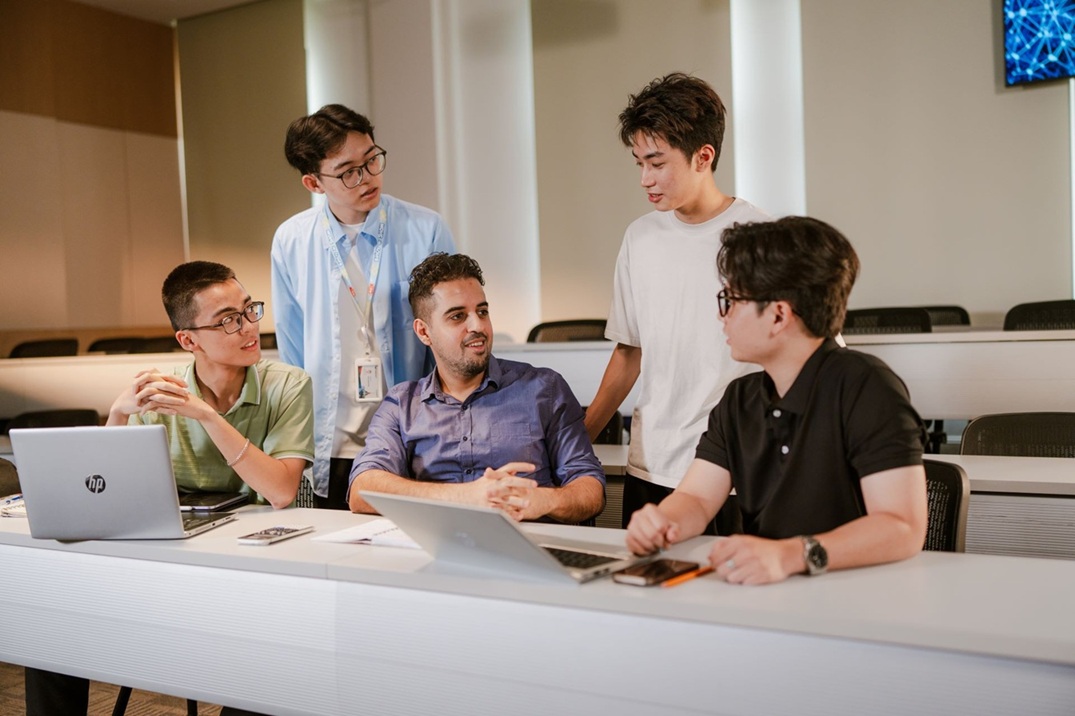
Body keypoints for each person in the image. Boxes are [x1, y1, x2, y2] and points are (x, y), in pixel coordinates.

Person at [26, 260, 311, 716]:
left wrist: (207, 415)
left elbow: (280, 490)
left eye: (249, 310)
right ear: (188, 340)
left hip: (248, 577)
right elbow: (107, 497)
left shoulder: (289, 385)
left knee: (272, 663)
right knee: (49, 635)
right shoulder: (160, 393)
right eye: (228, 320)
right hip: (169, 567)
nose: (248, 327)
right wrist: (118, 415)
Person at [625, 217, 928, 584]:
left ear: (779, 315)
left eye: (731, 301)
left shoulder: (866, 386)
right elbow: (698, 499)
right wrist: (663, 522)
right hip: (768, 586)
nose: (722, 315)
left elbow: (902, 527)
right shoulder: (739, 399)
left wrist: (791, 555)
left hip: (855, 590)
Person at [582, 72, 769, 530]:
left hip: (733, 472)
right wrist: (579, 438)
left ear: (703, 156)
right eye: (638, 163)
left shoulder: (760, 239)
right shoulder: (640, 237)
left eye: (657, 162)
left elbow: (805, 360)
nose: (645, 179)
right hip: (651, 465)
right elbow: (629, 352)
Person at [271, 104, 456, 510]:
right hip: (331, 443)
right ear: (313, 182)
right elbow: (293, 350)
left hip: (414, 438)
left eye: (372, 160)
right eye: (348, 171)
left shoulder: (425, 229)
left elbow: (448, 340)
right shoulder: (291, 241)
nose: (368, 177)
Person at [348, 253, 605, 523]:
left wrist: (544, 500)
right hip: (440, 543)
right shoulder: (402, 404)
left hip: (528, 542)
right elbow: (362, 490)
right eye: (457, 316)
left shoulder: (544, 389)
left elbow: (591, 490)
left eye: (482, 312)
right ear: (424, 332)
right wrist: (466, 496)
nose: (478, 326)